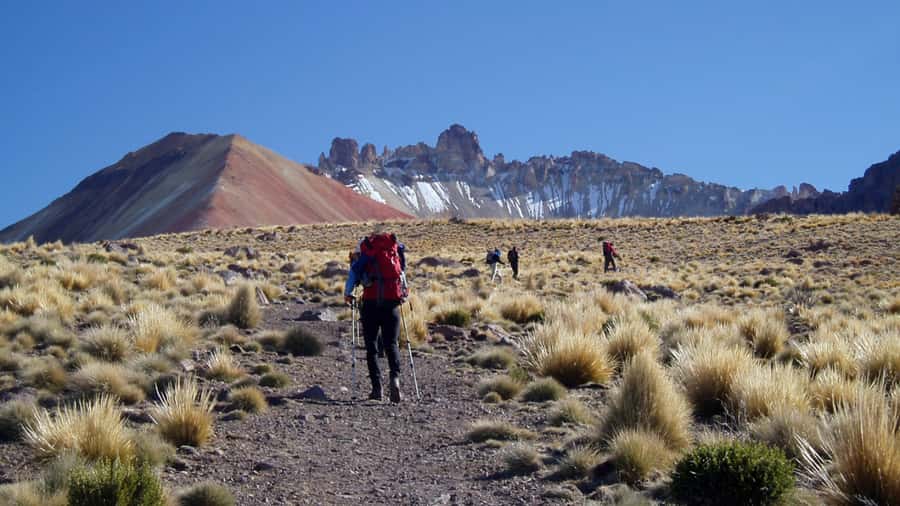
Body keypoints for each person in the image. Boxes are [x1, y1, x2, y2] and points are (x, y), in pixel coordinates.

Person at [344, 232, 408, 402]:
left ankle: (376, 389)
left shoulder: (365, 256)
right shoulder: (392, 254)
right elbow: (402, 277)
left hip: (371, 305)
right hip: (392, 305)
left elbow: (353, 277)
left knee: (371, 347)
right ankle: (395, 380)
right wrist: (403, 294)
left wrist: (348, 294)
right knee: (392, 344)